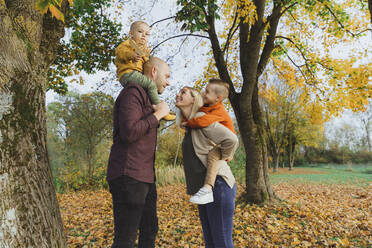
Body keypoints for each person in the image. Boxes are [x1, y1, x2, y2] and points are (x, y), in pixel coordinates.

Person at [107, 57, 171, 248]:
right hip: (128, 176)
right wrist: (158, 115)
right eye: (166, 76)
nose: (168, 82)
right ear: (153, 72)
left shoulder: (148, 99)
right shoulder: (132, 92)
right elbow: (129, 132)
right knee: (125, 239)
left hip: (145, 178)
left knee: (150, 231)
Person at [176, 87, 238, 248]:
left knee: (222, 243)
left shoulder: (202, 119)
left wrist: (222, 154)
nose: (178, 94)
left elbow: (231, 139)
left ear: (194, 99)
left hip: (219, 185)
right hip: (204, 190)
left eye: (183, 92)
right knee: (211, 243)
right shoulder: (190, 126)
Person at [184, 79, 237, 205]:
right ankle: (206, 189)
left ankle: (208, 188)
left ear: (218, 98)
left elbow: (202, 121)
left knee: (213, 156)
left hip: (223, 146)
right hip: (219, 143)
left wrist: (189, 123)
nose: (203, 94)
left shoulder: (219, 111)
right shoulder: (209, 107)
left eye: (207, 92)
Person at [115, 20, 175, 121]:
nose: (144, 35)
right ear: (131, 33)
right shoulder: (127, 44)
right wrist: (131, 55)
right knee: (150, 84)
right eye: (140, 32)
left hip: (135, 74)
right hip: (128, 74)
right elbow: (120, 53)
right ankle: (159, 107)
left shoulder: (142, 48)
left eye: (147, 34)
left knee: (147, 87)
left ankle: (153, 107)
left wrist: (147, 57)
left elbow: (146, 62)